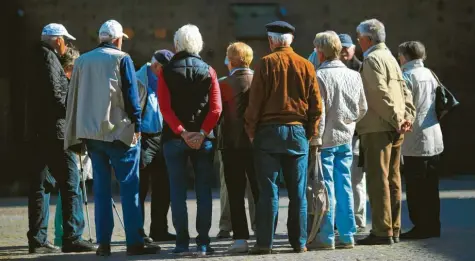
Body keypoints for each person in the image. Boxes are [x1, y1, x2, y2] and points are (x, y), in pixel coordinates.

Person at [64, 20, 160, 256]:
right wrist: (137, 124)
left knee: (102, 190)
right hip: (118, 132)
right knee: (130, 188)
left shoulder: (83, 60)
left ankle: (104, 243)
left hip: (92, 135)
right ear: (117, 39)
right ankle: (134, 241)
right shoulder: (122, 58)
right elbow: (131, 94)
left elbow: (73, 96)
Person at [245, 21, 322, 254]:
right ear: (291, 41)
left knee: (268, 191)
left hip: (268, 132)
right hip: (297, 131)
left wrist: (251, 131)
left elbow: (254, 103)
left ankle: (265, 243)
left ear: (271, 41)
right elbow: (316, 105)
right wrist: (310, 132)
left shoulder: (265, 64)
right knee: (298, 191)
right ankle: (299, 242)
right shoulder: (306, 65)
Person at [28, 23, 97, 254]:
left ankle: (37, 240)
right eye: (65, 41)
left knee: (40, 186)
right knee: (71, 182)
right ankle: (72, 236)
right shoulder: (49, 59)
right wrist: (75, 112)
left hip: (37, 131)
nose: (66, 45)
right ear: (58, 40)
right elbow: (57, 94)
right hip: (55, 132)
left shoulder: (33, 57)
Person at [158, 24, 222, 256]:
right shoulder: (209, 71)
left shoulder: (166, 71)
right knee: (204, 191)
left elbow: (164, 107)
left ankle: (181, 244)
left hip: (174, 139)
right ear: (199, 44)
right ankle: (203, 243)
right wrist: (202, 133)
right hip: (202, 139)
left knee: (177, 192)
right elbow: (216, 109)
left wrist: (181, 131)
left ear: (176, 45)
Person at [355, 19, 416, 245]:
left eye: (359, 38)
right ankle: (394, 227)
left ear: (368, 39)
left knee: (378, 179)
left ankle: (382, 230)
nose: (358, 42)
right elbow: (404, 91)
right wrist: (406, 118)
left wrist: (397, 118)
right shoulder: (390, 57)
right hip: (395, 125)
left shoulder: (371, 59)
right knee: (393, 179)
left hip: (378, 127)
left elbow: (378, 93)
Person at [309, 31, 367, 250]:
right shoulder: (354, 75)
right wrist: (350, 123)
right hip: (346, 137)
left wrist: (316, 139)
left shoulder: (320, 76)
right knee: (345, 186)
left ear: (321, 52)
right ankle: (348, 234)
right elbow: (363, 108)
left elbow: (320, 113)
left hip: (326, 140)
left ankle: (327, 236)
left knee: (326, 188)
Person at [398, 41, 443, 239]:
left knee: (416, 187)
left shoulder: (406, 76)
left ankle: (421, 226)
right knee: (431, 185)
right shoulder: (430, 74)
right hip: (434, 134)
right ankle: (433, 225)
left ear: (405, 56)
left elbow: (405, 108)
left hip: (415, 138)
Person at [218, 43, 259, 253]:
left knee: (235, 192)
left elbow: (217, 114)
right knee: (259, 190)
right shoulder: (259, 81)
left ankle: (240, 238)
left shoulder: (223, 84)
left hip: (231, 145)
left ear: (232, 60)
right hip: (255, 144)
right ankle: (263, 233)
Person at [135, 50, 176, 243]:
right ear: (157, 66)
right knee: (140, 187)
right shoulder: (137, 79)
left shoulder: (166, 80)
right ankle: (138, 232)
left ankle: (159, 229)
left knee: (163, 186)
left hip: (162, 136)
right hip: (143, 137)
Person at [338, 33, 366, 232]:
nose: (345, 50)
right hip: (338, 132)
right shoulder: (334, 68)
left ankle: (358, 218)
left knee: (356, 178)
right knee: (341, 177)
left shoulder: (361, 68)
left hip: (356, 132)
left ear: (354, 48)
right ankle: (343, 218)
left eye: (348, 47)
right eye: (342, 47)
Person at [54, 46, 81, 247]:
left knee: (70, 186)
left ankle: (62, 234)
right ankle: (65, 234)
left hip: (70, 137)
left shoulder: (68, 82)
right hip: (66, 138)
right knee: (70, 186)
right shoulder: (64, 83)